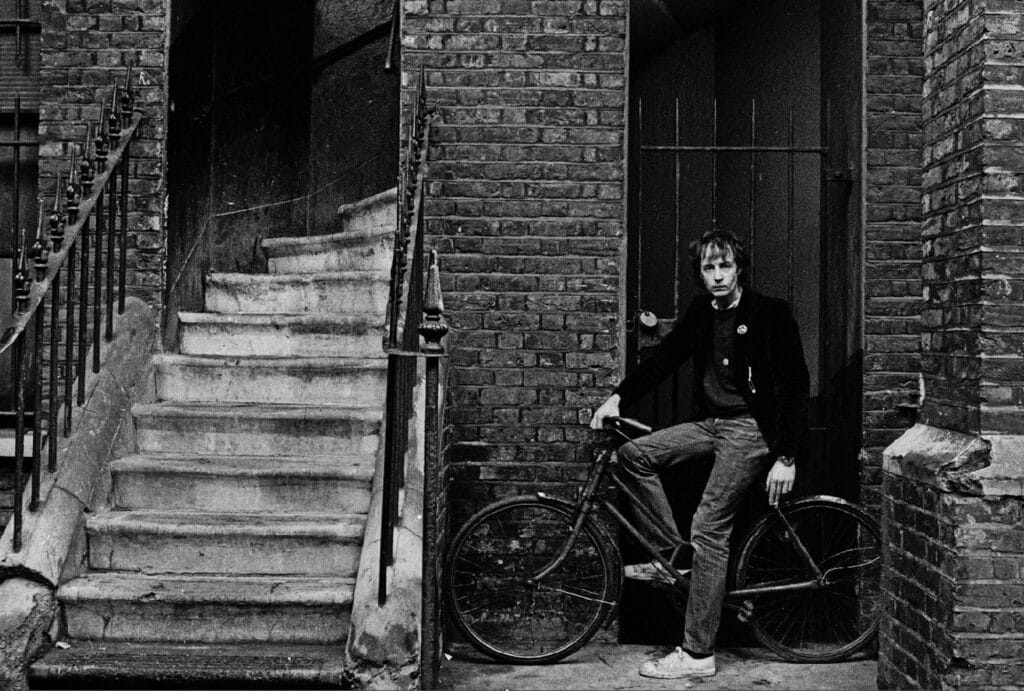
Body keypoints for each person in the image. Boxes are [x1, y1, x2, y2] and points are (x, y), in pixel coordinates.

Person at [589, 228, 809, 679]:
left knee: (710, 527)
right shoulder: (703, 313)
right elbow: (666, 357)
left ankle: (697, 653)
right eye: (709, 268)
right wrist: (617, 397)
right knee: (630, 457)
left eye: (724, 265)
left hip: (751, 429)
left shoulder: (769, 313)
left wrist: (786, 456)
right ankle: (673, 557)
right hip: (713, 424)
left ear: (739, 267)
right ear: (701, 274)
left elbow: (794, 386)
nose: (718, 275)